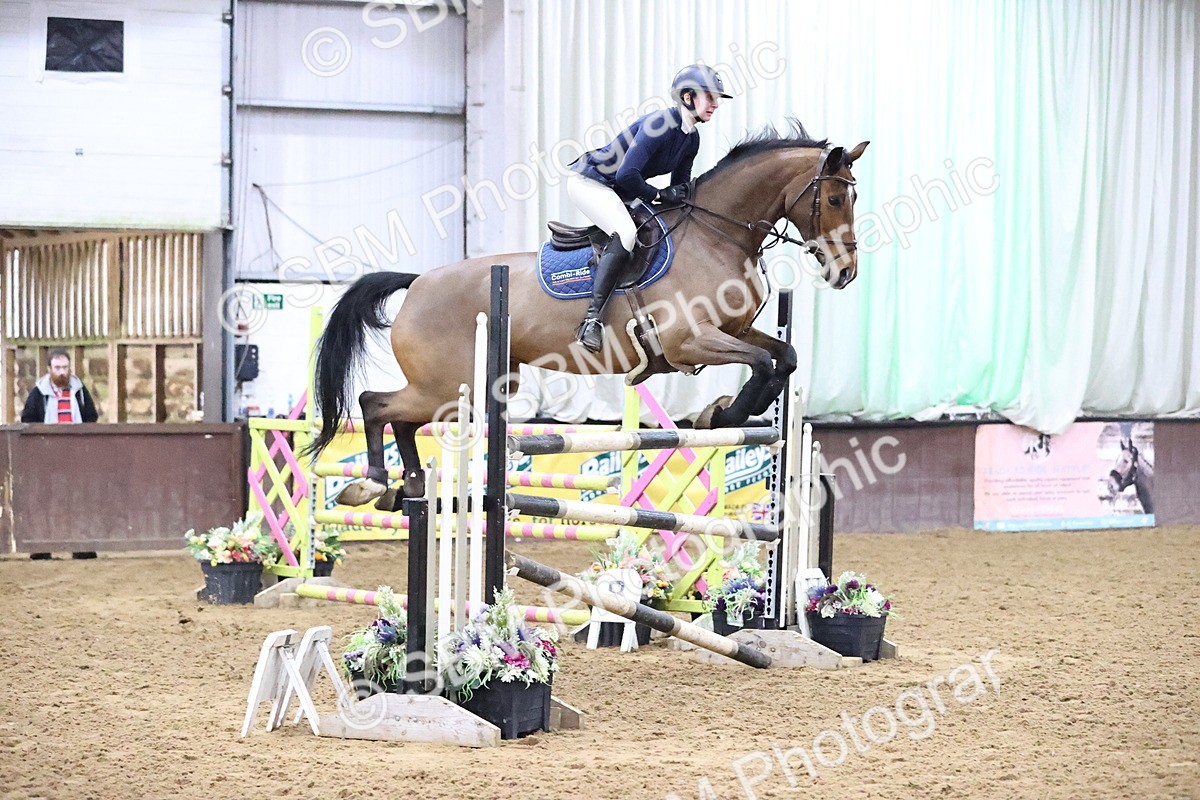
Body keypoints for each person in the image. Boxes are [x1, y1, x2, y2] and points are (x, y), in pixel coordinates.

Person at [566, 63, 733, 352]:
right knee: (626, 233)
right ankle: (591, 321)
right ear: (687, 97)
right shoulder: (660, 125)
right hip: (592, 183)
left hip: (621, 190)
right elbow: (627, 174)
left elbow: (678, 188)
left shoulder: (691, 138)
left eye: (716, 98)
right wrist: (658, 195)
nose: (716, 104)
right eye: (709, 96)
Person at [20, 348, 99, 424]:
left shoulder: (79, 389)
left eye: (65, 367)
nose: (62, 372)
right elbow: (28, 419)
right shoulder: (39, 391)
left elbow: (91, 416)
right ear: (49, 369)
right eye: (57, 368)